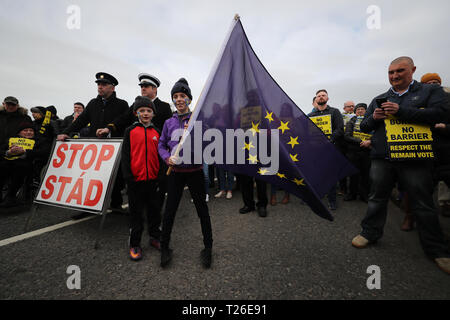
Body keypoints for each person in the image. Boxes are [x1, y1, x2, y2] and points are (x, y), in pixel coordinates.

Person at [352, 56, 450, 275]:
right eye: (391, 72)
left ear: (412, 70)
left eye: (400, 71)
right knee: (376, 197)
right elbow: (366, 126)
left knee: (423, 203)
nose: (395, 76)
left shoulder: (429, 92)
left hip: (414, 158)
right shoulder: (380, 98)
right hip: (383, 158)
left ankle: (437, 250)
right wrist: (375, 118)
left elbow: (440, 115)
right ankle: (369, 233)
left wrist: (401, 111)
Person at [97, 73, 173, 211]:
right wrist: (109, 128)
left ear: (155, 89)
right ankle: (137, 217)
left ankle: (154, 216)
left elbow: (168, 130)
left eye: (146, 86)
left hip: (156, 152)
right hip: (138, 155)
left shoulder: (164, 107)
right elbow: (123, 118)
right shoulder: (135, 105)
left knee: (157, 188)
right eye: (142, 86)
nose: (143, 88)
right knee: (138, 189)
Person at [158, 78, 213, 269]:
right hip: (175, 173)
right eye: (175, 96)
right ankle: (164, 247)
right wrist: (167, 158)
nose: (179, 99)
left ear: (189, 99)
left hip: (195, 172)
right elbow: (161, 144)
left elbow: (207, 143)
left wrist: (197, 131)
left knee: (202, 211)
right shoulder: (168, 122)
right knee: (170, 211)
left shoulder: (198, 120)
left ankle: (208, 248)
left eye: (182, 96)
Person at [57, 72, 129, 211]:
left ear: (112, 88)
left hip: (114, 148)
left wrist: (110, 129)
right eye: (98, 84)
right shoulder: (92, 103)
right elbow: (81, 121)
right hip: (95, 148)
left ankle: (116, 205)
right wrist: (66, 132)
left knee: (115, 177)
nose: (100, 87)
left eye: (104, 84)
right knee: (90, 177)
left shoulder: (121, 104)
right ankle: (86, 206)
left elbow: (124, 121)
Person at [121, 96, 162, 261]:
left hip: (153, 180)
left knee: (154, 211)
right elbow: (125, 156)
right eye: (142, 110)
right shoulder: (130, 131)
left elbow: (160, 156)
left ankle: (155, 237)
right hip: (135, 181)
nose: (145, 113)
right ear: (136, 113)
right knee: (136, 214)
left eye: (149, 111)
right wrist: (128, 176)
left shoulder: (157, 132)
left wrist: (160, 176)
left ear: (153, 114)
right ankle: (135, 243)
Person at [308, 89, 344, 210]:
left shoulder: (335, 112)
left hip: (331, 148)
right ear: (316, 99)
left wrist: (329, 140)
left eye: (323, 95)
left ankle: (332, 200)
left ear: (327, 98)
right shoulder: (311, 116)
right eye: (318, 96)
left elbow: (339, 129)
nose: (321, 97)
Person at [0, 121, 50, 207]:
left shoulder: (39, 141)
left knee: (20, 168)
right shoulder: (10, 140)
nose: (28, 132)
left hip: (28, 163)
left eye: (31, 130)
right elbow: (1, 150)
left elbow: (44, 152)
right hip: (8, 161)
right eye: (25, 130)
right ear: (19, 132)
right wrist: (9, 152)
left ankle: (11, 196)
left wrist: (25, 152)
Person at [421, 73, 450, 218]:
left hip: (446, 151)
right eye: (429, 83)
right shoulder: (418, 101)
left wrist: (445, 127)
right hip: (425, 152)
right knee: (423, 190)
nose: (433, 85)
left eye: (435, 82)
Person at [343, 103, 371, 202]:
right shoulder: (351, 121)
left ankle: (364, 195)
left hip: (367, 152)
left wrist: (369, 142)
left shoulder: (371, 121)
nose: (360, 111)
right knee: (353, 174)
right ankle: (352, 194)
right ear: (355, 111)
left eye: (362, 109)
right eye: (358, 109)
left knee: (366, 175)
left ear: (366, 111)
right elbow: (347, 136)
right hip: (353, 151)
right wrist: (360, 142)